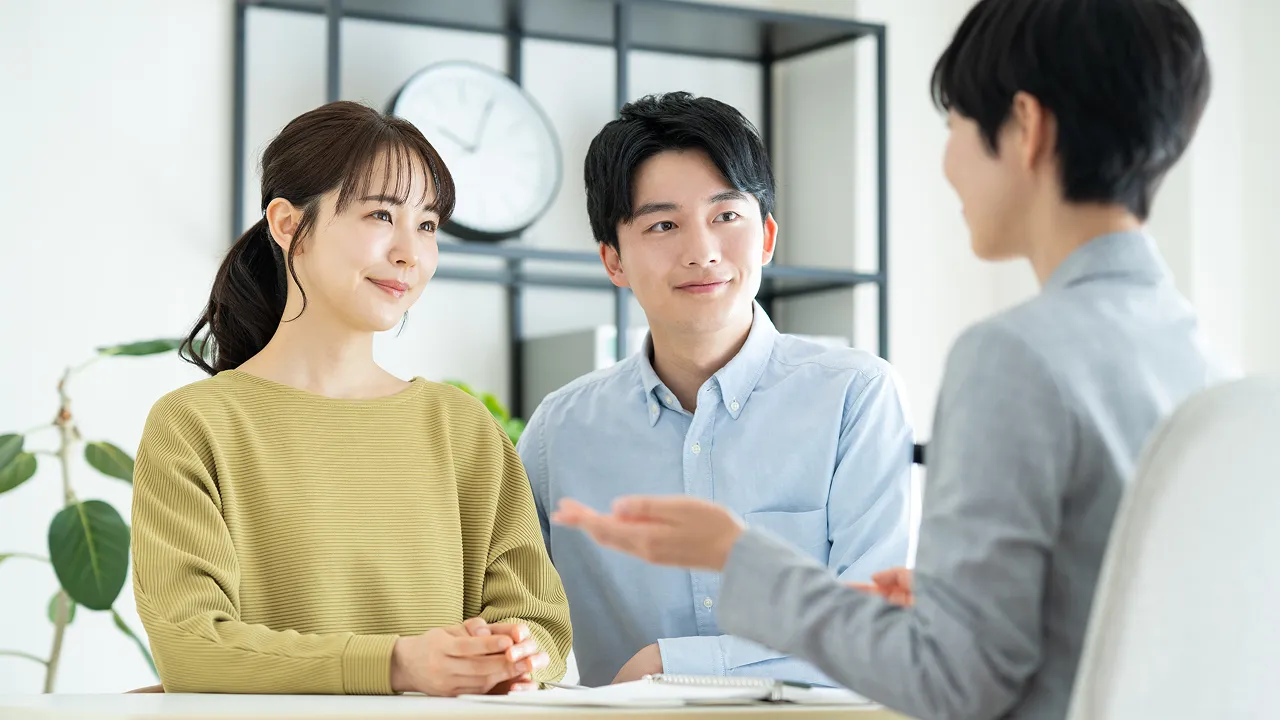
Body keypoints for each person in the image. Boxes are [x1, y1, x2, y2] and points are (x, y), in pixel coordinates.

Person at [552, 0, 1226, 717]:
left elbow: (953, 680)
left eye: (957, 124)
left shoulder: (1012, 357)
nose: (948, 162)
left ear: (1026, 127)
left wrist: (735, 557)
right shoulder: (1206, 361)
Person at [130, 101, 572, 696]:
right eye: (380, 215)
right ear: (288, 224)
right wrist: (397, 664)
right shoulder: (195, 426)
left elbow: (540, 626)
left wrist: (509, 659)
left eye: (428, 225)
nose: (410, 254)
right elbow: (191, 645)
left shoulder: (460, 427)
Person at [517, 92, 914, 687]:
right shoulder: (558, 434)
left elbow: (872, 634)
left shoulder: (856, 397)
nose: (702, 252)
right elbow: (514, 617)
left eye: (726, 216)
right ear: (613, 260)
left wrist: (668, 666)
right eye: (663, 224)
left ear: (767, 236)